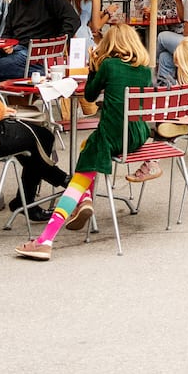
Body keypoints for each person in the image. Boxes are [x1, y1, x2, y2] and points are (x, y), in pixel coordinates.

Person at [14, 23, 153, 260]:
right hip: (136, 135)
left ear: (110, 45)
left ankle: (46, 239)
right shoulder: (144, 70)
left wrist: (93, 68)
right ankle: (86, 200)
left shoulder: (108, 65)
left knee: (79, 178)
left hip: (111, 137)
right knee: (86, 146)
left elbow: (89, 96)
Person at [0, 0, 69, 222]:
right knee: (41, 135)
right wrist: (4, 111)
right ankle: (64, 185)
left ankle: (35, 196)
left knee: (30, 138)